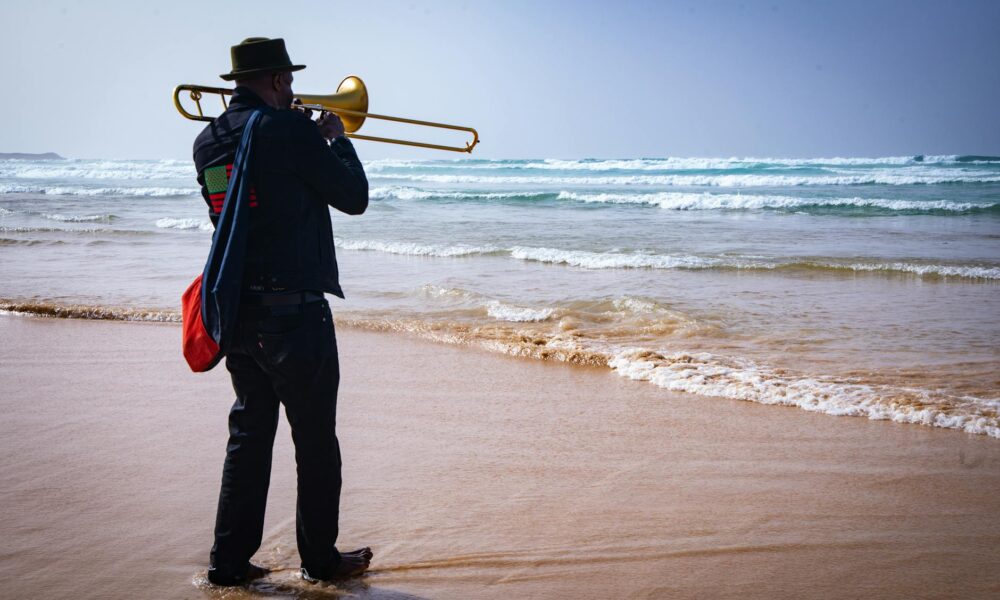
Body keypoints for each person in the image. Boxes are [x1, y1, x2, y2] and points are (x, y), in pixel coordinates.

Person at [191, 37, 373, 586]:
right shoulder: (288, 130)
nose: (293, 90)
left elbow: (250, 201)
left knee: (248, 438)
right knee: (316, 440)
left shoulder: (207, 141)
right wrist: (337, 141)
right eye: (289, 81)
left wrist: (306, 143)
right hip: (294, 315)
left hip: (238, 313)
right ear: (274, 80)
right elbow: (354, 197)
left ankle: (229, 561)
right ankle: (320, 560)